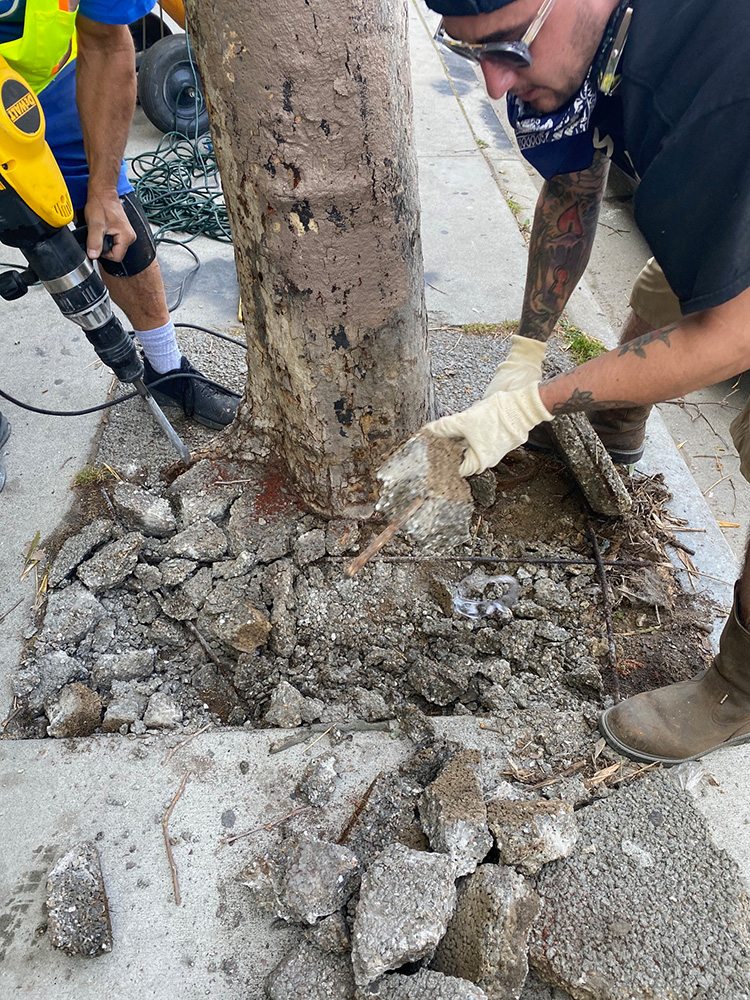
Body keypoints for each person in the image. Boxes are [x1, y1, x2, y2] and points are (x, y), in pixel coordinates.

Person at [422, 0, 750, 765]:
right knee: (666, 290)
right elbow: (571, 185)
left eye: (507, 48)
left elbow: (728, 336)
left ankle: (738, 687)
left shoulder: (719, 78)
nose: (498, 84)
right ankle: (614, 430)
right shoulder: (568, 47)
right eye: (473, 54)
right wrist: (526, 353)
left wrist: (529, 407)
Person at [0, 0, 240, 466]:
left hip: (43, 85)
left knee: (113, 221)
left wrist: (104, 190)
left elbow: (107, 43)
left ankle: (166, 368)